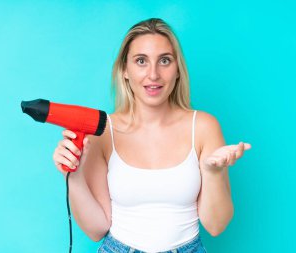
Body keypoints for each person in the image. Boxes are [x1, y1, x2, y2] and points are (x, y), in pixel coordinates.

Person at [53, 18, 251, 253]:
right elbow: (97, 229)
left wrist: (212, 173)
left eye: (164, 61)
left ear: (177, 70)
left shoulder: (204, 127)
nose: (153, 74)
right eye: (141, 61)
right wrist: (73, 176)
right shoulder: (104, 131)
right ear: (125, 70)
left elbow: (216, 225)